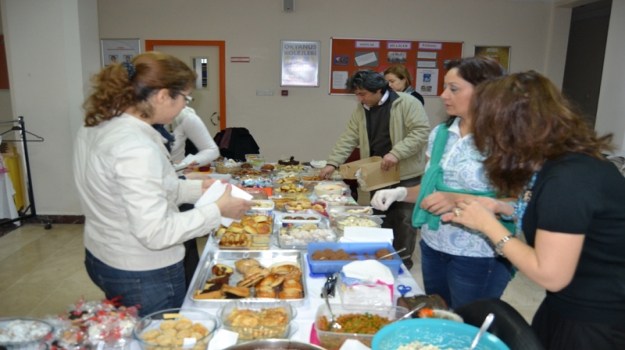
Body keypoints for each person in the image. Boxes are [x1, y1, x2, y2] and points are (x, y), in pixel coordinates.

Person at [442, 71, 625, 350]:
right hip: (564, 304)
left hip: (597, 319)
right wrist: (502, 207)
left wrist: (489, 226)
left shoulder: (570, 178)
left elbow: (550, 273)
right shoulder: (558, 164)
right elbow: (563, 220)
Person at [74, 51, 254, 316]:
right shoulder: (136, 146)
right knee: (159, 336)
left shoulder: (96, 125)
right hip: (142, 270)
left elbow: (130, 191)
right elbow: (156, 233)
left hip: (103, 254)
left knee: (133, 330)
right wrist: (218, 211)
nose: (184, 106)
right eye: (185, 97)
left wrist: (195, 189)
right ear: (162, 95)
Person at [371, 56, 510, 308]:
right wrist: (401, 193)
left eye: (453, 89)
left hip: (479, 253)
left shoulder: (507, 141)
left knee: (468, 327)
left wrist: (456, 200)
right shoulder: (441, 134)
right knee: (443, 317)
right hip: (435, 247)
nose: (444, 95)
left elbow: (516, 205)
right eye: (445, 87)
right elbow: (432, 191)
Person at [319, 69, 430, 270]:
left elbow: (421, 133)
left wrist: (397, 153)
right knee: (378, 219)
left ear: (379, 90)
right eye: (357, 95)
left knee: (404, 222)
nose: (360, 99)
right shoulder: (362, 109)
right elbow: (349, 137)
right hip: (376, 173)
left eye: (363, 94)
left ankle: (402, 265)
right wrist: (332, 162)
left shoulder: (407, 103)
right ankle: (379, 261)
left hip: (405, 173)